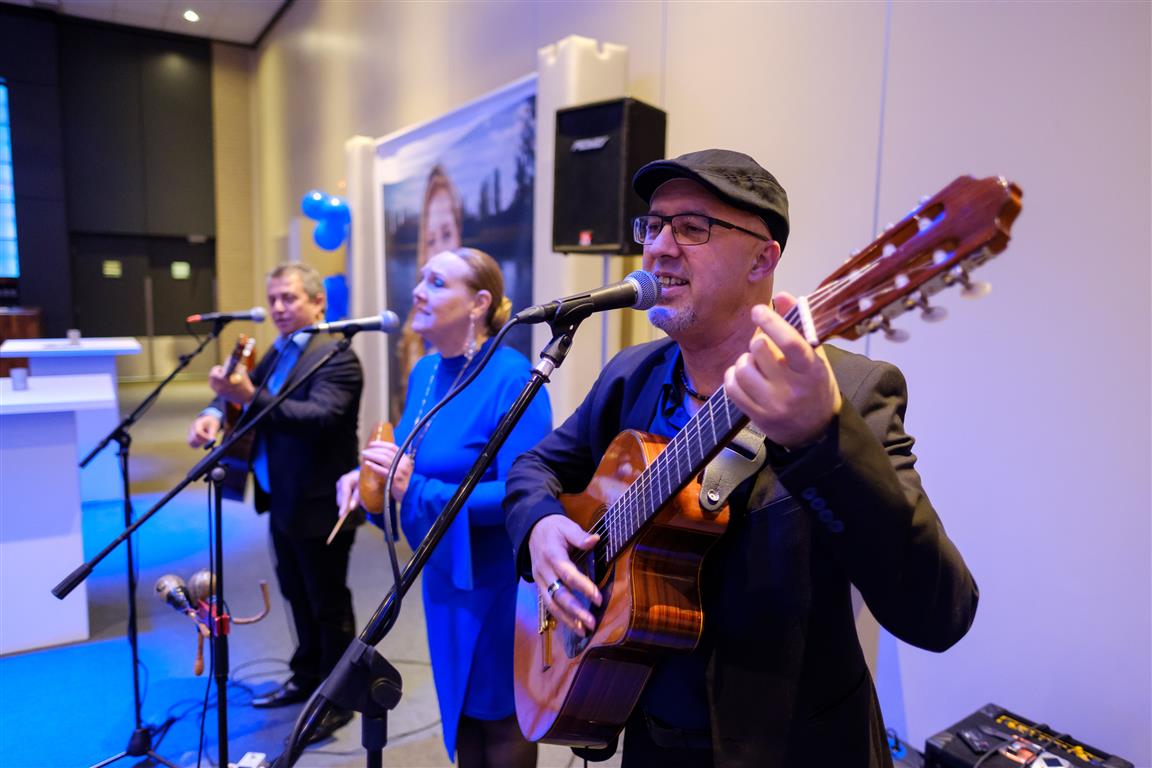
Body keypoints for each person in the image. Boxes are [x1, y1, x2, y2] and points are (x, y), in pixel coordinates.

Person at [504, 149, 979, 767]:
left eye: (692, 227)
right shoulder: (632, 375)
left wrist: (821, 437)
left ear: (763, 258)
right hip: (647, 740)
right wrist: (541, 528)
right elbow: (533, 469)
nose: (660, 247)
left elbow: (940, 612)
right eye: (653, 225)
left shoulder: (851, 393)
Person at [337, 247, 551, 767]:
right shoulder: (426, 371)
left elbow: (521, 493)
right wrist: (369, 476)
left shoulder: (513, 377)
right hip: (443, 574)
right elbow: (408, 457)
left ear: (479, 303)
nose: (417, 291)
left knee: (500, 716)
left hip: (496, 582)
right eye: (421, 279)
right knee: (463, 714)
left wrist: (416, 488)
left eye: (436, 282)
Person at [187, 262, 363, 744]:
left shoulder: (338, 356)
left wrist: (251, 395)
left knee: (327, 602)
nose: (279, 308)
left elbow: (319, 417)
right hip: (281, 496)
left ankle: (337, 699)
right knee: (294, 592)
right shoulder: (281, 349)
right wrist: (213, 411)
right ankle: (306, 675)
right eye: (273, 300)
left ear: (318, 302)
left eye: (290, 298)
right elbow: (241, 394)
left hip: (321, 501)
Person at [395, 164, 465, 422]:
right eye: (431, 240)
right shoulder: (422, 367)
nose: (438, 251)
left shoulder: (510, 376)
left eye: (446, 235)